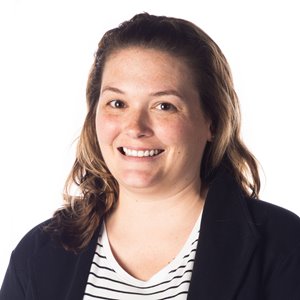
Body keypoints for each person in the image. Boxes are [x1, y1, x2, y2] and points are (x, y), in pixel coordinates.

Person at [1, 12, 300, 300]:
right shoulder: (39, 253)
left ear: (212, 121)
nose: (135, 127)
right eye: (117, 103)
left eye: (164, 106)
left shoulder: (284, 246)